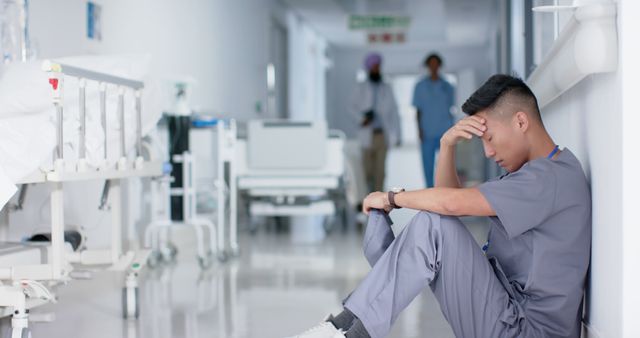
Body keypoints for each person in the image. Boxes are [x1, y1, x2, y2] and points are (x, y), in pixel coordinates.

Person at [287, 74, 591, 338]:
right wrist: (447, 145)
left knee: (435, 224)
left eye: (490, 138)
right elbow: (447, 203)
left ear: (520, 121)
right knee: (432, 226)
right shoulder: (536, 172)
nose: (487, 152)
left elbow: (450, 203)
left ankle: (347, 332)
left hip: (525, 329)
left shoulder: (548, 178)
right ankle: (344, 327)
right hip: (508, 311)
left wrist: (393, 198)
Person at [351, 52, 401, 194]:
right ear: (368, 68)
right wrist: (362, 118)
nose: (377, 69)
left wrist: (397, 135)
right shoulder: (360, 87)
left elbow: (394, 112)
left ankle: (378, 202)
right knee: (366, 171)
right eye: (374, 66)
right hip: (366, 134)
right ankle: (367, 198)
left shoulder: (387, 87)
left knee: (380, 171)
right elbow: (351, 108)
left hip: (381, 135)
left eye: (378, 66)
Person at [412, 53, 455, 187]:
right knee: (428, 166)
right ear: (427, 66)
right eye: (431, 64)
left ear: (440, 65)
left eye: (436, 63)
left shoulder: (448, 86)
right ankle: (430, 191)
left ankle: (445, 189)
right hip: (427, 131)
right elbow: (418, 111)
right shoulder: (420, 86)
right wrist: (419, 130)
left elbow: (453, 107)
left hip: (445, 130)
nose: (434, 66)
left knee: (446, 164)